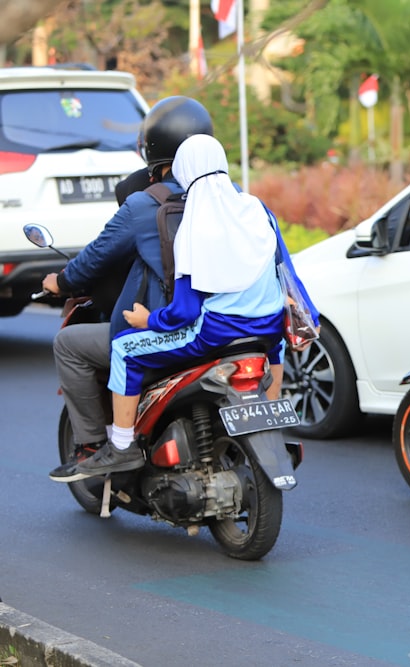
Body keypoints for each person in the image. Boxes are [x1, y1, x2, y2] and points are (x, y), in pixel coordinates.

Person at [53, 134, 288, 480]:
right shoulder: (254, 210)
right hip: (267, 332)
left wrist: (149, 319)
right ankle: (269, 420)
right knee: (277, 349)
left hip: (215, 333)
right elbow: (286, 275)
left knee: (125, 348)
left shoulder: (195, 221)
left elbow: (185, 312)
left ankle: (119, 447)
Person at [42, 96, 215, 471]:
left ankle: (95, 448)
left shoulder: (142, 205)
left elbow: (92, 260)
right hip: (229, 327)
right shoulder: (230, 201)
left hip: (169, 329)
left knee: (68, 345)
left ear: (151, 149)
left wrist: (60, 282)